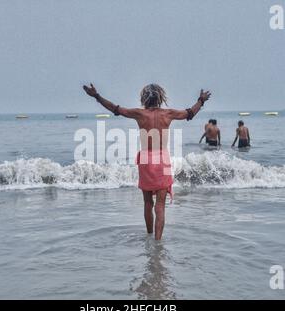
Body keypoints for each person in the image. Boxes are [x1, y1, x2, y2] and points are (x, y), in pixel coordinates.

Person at [83, 83, 211, 240]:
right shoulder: (168, 113)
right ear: (160, 97)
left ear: (144, 97)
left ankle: (149, 237)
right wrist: (201, 100)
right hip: (162, 159)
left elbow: (115, 109)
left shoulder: (139, 114)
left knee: (148, 202)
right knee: (160, 206)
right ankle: (157, 243)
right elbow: (190, 113)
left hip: (145, 159)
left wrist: (97, 96)